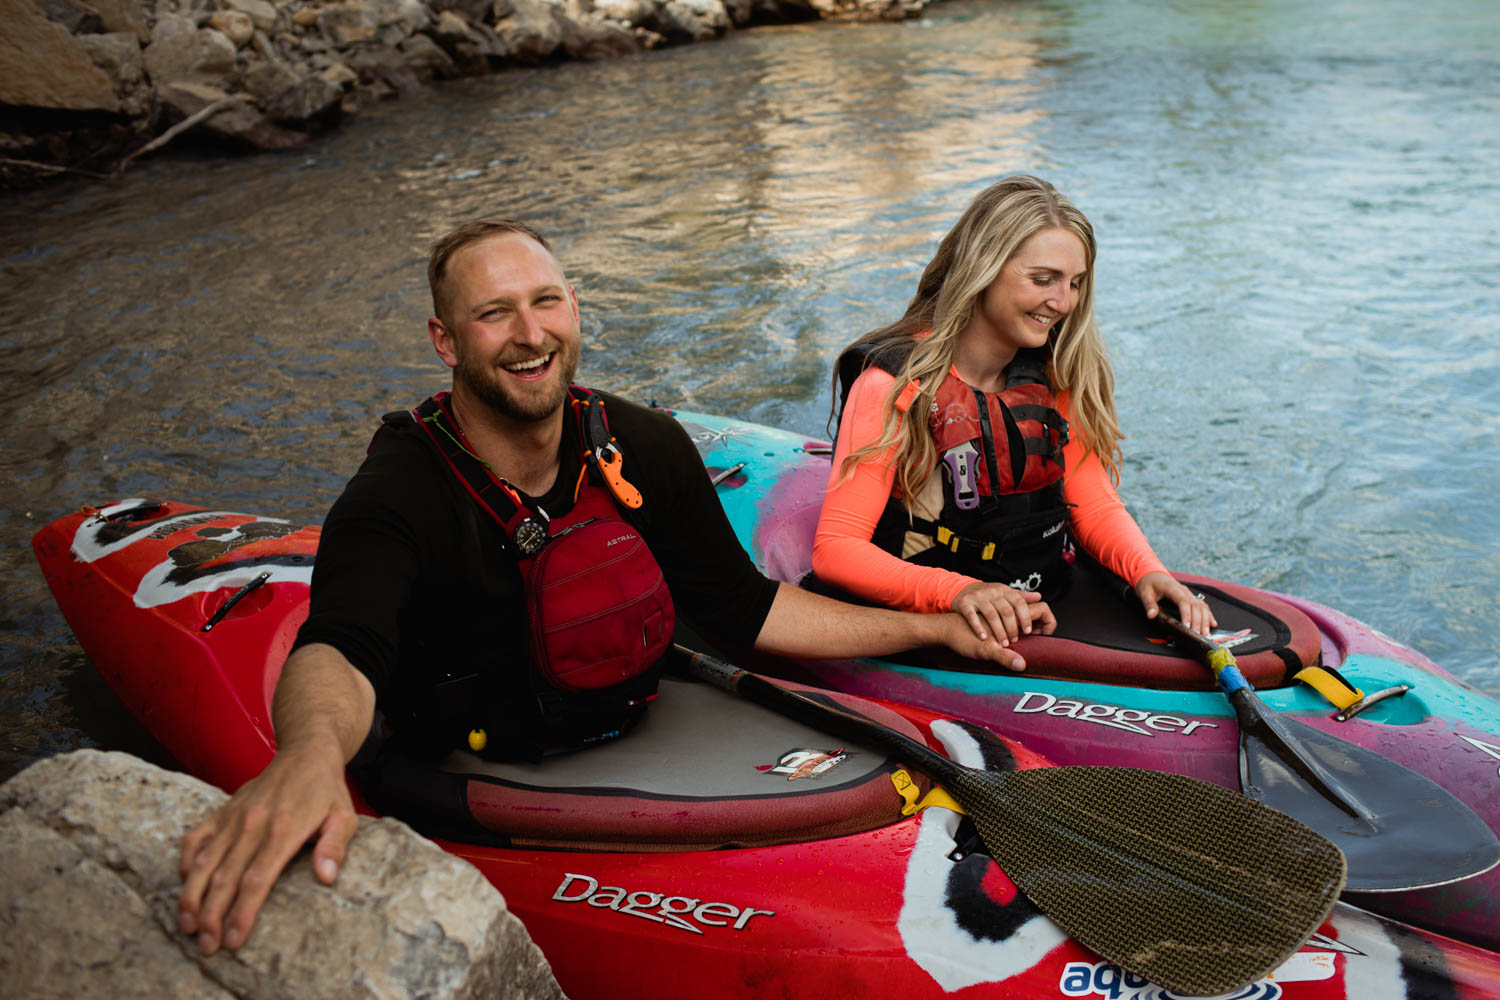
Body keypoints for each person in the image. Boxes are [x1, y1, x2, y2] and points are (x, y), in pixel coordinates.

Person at [177, 218, 1026, 957]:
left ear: (574, 308)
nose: (528, 332)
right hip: (476, 766)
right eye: (493, 312)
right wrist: (310, 757)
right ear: (446, 341)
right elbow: (340, 648)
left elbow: (746, 608)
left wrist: (934, 619)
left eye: (545, 301)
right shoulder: (397, 491)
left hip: (636, 722)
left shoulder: (640, 444)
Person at [810, 175, 1215, 649]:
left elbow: (1093, 501)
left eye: (1075, 283)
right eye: (1042, 280)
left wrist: (1146, 569)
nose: (1062, 303)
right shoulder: (893, 385)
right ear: (981, 269)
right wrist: (961, 592)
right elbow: (836, 550)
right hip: (935, 608)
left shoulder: (1052, 374)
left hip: (1044, 592)